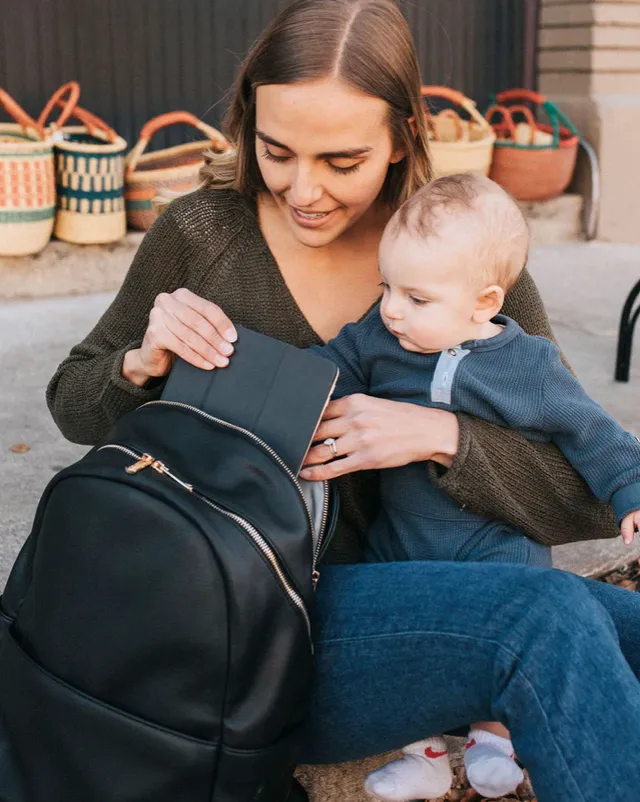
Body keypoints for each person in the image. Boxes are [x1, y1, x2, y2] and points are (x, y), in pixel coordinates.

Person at [46, 2, 640, 800]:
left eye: (342, 160)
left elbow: (584, 493)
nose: (304, 189)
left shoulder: (460, 257)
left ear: (402, 138)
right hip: (246, 626)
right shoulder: (200, 236)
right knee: (547, 620)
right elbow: (72, 405)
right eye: (277, 151)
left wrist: (442, 438)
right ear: (248, 121)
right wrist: (138, 361)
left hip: (420, 602)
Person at [309, 172, 640, 801]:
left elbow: (590, 433)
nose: (392, 309)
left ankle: (495, 739)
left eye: (417, 298)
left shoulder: (526, 366)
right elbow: (328, 365)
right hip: (400, 543)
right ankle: (426, 753)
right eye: (387, 288)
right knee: (418, 636)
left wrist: (631, 488)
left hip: (495, 545)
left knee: (530, 604)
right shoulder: (382, 339)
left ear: (485, 302)